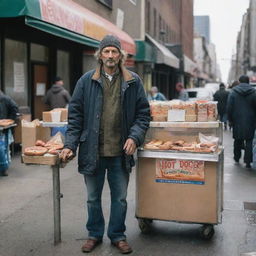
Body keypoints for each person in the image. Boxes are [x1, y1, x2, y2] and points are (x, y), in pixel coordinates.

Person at [60, 35, 150, 254]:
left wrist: (134, 137)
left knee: (119, 199)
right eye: (106, 51)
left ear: (121, 56)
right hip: (93, 151)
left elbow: (143, 115)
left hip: (121, 152)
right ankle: (94, 234)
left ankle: (118, 235)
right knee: (93, 198)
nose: (110, 56)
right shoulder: (86, 81)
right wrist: (70, 144)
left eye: (114, 51)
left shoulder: (133, 81)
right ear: (99, 55)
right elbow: (75, 117)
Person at [227, 75, 256, 169]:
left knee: (237, 139)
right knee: (249, 141)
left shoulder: (233, 92)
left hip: (237, 120)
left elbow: (229, 108)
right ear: (248, 81)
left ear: (239, 81)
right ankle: (248, 161)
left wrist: (230, 120)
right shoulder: (254, 92)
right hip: (251, 120)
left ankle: (236, 158)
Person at [0, 90, 18, 176]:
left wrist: (10, 120)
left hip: (3, 128)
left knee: (3, 148)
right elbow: (15, 107)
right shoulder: (6, 98)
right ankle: (4, 168)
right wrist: (11, 119)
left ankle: (4, 168)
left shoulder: (5, 99)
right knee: (4, 148)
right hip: (4, 128)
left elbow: (14, 107)